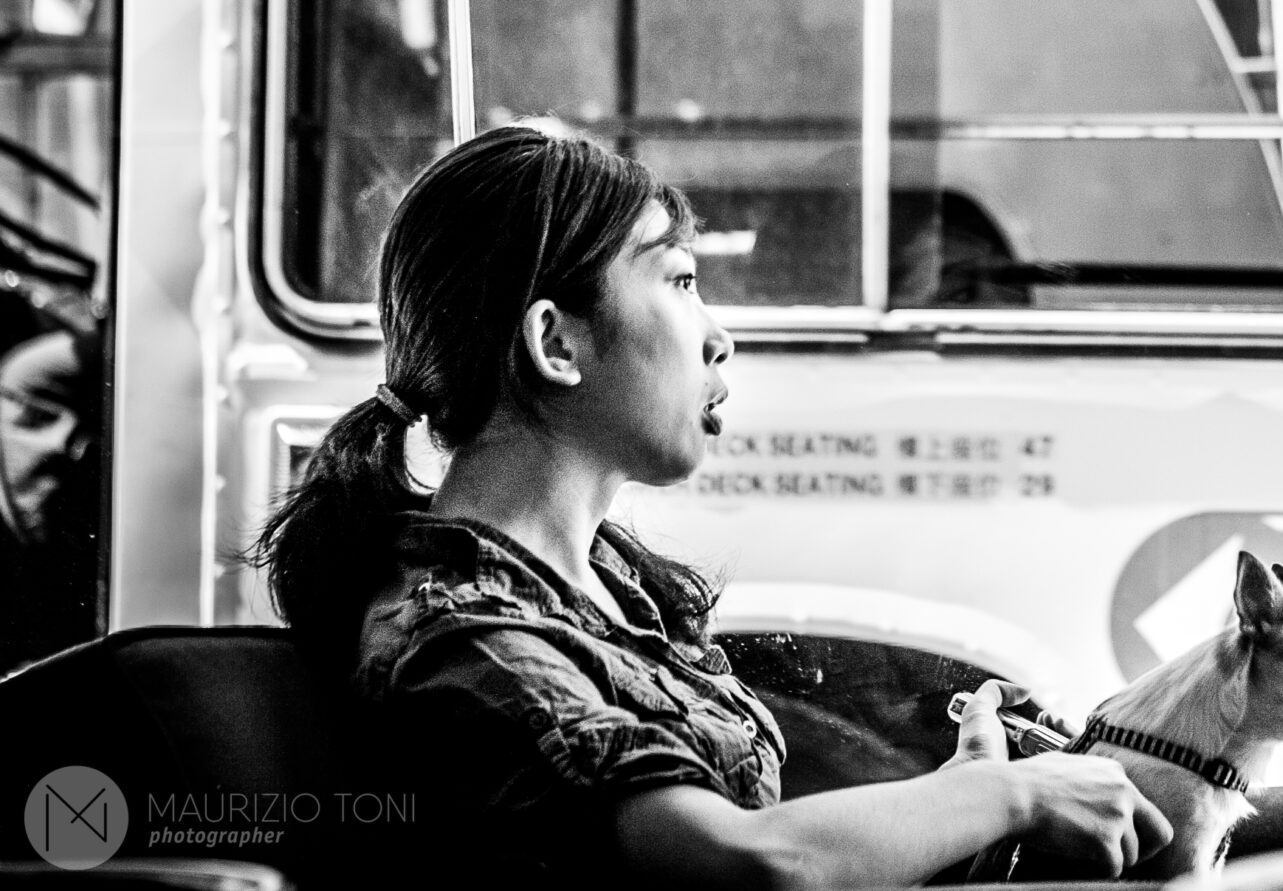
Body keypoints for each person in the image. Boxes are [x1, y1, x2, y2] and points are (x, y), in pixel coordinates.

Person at [254, 123, 1168, 888]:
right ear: (556, 343)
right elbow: (751, 864)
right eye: (681, 281)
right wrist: (1001, 796)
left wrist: (969, 791)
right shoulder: (467, 636)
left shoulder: (609, 585)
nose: (719, 336)